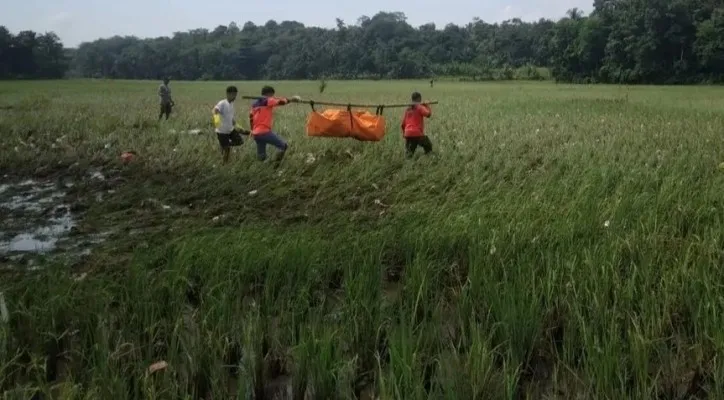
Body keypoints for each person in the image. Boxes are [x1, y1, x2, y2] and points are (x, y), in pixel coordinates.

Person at [248, 86, 301, 163]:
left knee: (261, 156)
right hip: (264, 132)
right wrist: (292, 99)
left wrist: (252, 130)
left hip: (256, 133)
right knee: (283, 146)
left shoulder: (254, 104)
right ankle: (274, 164)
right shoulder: (268, 100)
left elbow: (251, 118)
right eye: (272, 95)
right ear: (269, 94)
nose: (273, 96)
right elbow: (281, 102)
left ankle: (263, 167)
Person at [213, 85, 241, 164]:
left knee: (239, 141)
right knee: (227, 149)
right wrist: (217, 120)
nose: (235, 97)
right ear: (228, 94)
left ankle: (223, 145)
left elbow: (230, 116)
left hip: (230, 129)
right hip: (222, 131)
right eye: (233, 95)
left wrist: (236, 125)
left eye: (235, 95)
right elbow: (215, 110)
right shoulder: (222, 103)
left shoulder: (231, 104)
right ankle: (224, 164)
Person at [401, 92, 433, 157]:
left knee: (409, 154)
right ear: (419, 99)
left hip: (407, 133)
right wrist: (427, 106)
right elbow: (428, 114)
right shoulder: (419, 107)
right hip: (417, 133)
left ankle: (409, 163)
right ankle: (428, 158)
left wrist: (405, 134)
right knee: (428, 145)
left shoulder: (408, 109)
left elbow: (403, 124)